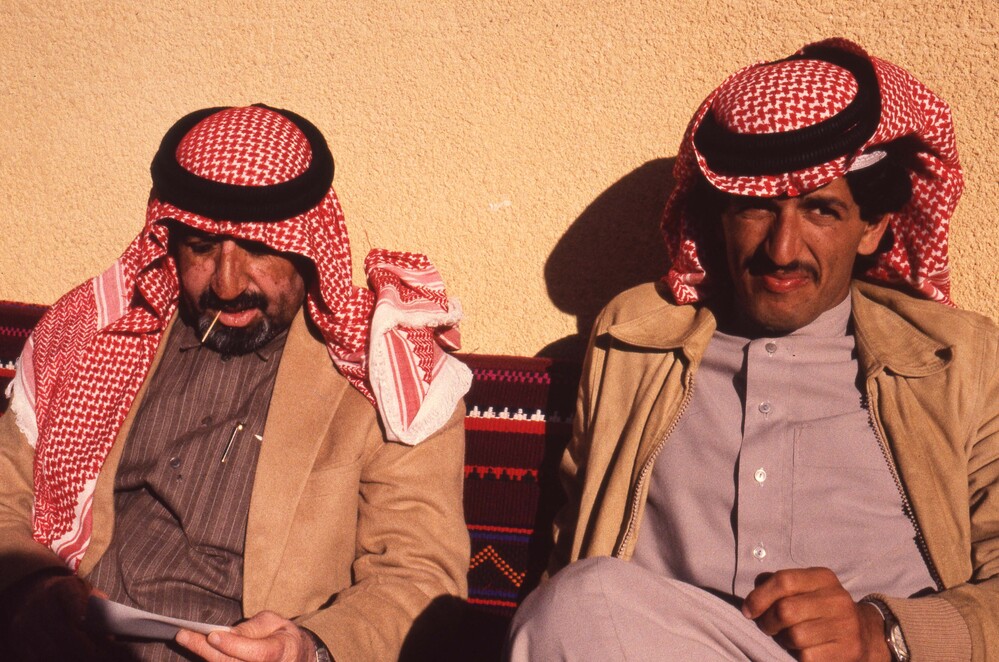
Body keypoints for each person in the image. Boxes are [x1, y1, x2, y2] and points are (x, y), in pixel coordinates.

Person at [507, 38, 998, 662]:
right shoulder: (634, 344)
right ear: (719, 216)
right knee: (577, 604)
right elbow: (571, 560)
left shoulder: (958, 360)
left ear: (873, 227)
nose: (783, 250)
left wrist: (884, 633)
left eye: (820, 210)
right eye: (756, 210)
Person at [0, 104, 473, 661]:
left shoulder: (391, 373)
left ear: (308, 246)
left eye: (258, 249)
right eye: (202, 248)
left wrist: (309, 648)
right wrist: (35, 588)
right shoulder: (101, 337)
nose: (227, 284)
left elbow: (420, 577)